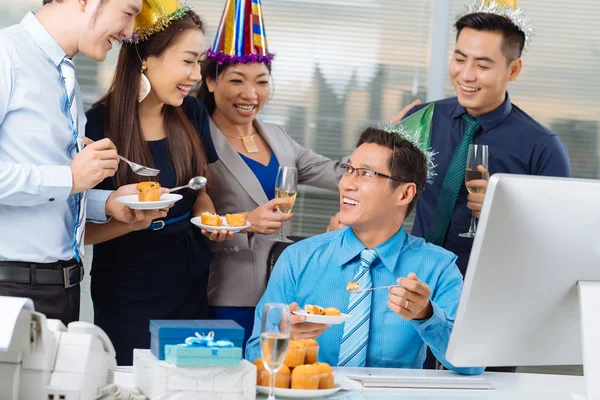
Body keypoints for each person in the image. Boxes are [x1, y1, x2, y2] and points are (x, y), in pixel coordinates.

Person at [333, 1, 571, 276]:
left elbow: (560, 241)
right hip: (409, 279)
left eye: (482, 65)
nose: (466, 75)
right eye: (459, 60)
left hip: (488, 286)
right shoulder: (422, 119)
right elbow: (381, 190)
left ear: (514, 69)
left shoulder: (542, 147)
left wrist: (506, 216)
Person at [246, 124, 483, 375]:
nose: (347, 183)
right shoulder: (297, 259)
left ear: (404, 193)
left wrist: (426, 315)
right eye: (348, 170)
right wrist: (282, 341)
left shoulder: (438, 267)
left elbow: (472, 363)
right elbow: (253, 355)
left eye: (366, 174)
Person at [84, 1, 232, 365]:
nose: (196, 75)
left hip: (189, 279)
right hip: (128, 290)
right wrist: (135, 220)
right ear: (146, 58)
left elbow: (200, 190)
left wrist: (209, 217)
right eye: (187, 61)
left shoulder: (192, 113)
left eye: (199, 62)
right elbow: (80, 229)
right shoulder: (96, 126)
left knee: (190, 381)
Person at [196, 0, 342, 349]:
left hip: (282, 296)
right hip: (228, 293)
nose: (251, 94)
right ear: (211, 82)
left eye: (261, 81)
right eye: (237, 80)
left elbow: (337, 173)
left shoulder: (276, 135)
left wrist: (392, 140)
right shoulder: (196, 140)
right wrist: (247, 220)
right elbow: (197, 219)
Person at [0, 0, 148, 326]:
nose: (129, 32)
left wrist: (106, 202)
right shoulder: (6, 55)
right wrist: (70, 177)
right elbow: (66, 179)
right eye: (128, 12)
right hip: (11, 291)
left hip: (62, 287)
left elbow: (49, 189)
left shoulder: (64, 75)